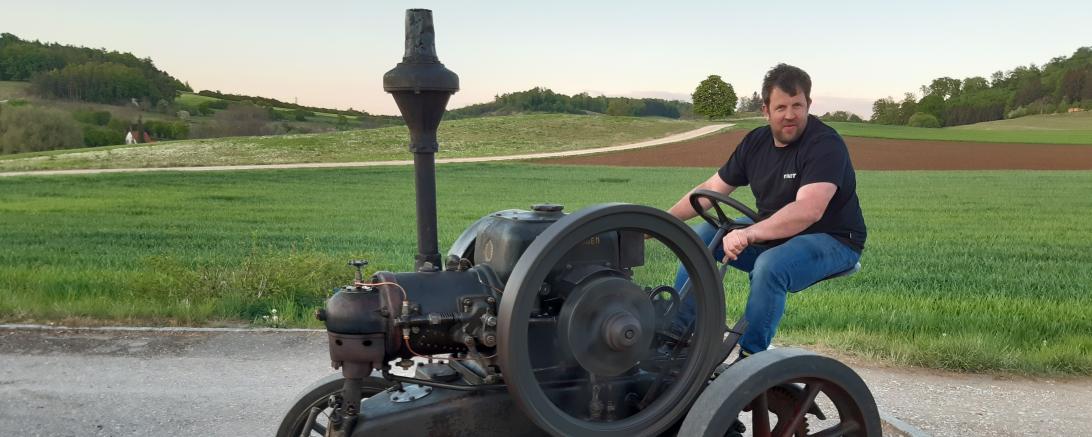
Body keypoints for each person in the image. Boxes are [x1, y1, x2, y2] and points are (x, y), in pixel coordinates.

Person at [666, 63, 866, 360]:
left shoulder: (825, 145)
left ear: (809, 105)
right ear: (766, 109)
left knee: (770, 267)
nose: (790, 115)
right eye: (781, 106)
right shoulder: (755, 142)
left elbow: (808, 210)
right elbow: (711, 189)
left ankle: (751, 359)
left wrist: (748, 234)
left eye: (797, 105)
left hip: (832, 238)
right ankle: (673, 338)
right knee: (703, 238)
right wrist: (661, 222)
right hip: (774, 229)